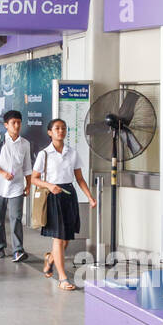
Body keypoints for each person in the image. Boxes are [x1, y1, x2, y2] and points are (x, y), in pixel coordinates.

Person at [31, 118, 96, 291]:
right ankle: (63, 278)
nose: (61, 131)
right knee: (58, 239)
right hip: (53, 196)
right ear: (50, 132)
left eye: (63, 128)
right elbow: (34, 179)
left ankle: (50, 259)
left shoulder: (72, 153)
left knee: (66, 239)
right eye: (57, 128)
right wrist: (50, 186)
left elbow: (79, 179)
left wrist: (90, 197)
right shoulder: (44, 154)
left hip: (69, 196)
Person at [0, 110, 32, 262]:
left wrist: (29, 184)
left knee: (16, 218)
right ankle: (0, 246)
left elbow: (27, 166)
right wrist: (2, 172)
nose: (17, 125)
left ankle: (18, 250)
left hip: (17, 187)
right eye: (13, 123)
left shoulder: (25, 143)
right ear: (6, 125)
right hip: (0, 186)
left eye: (19, 122)